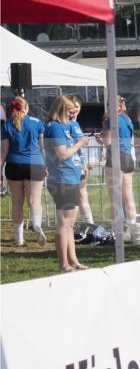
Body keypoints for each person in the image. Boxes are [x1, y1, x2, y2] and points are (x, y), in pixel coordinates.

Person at [44, 96, 90, 272]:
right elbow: (62, 154)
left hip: (71, 177)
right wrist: (79, 143)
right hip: (62, 179)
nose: (74, 111)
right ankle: (64, 263)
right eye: (71, 108)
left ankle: (74, 261)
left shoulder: (66, 125)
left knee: (70, 224)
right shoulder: (55, 127)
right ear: (62, 108)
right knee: (64, 224)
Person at [1, 96, 46, 246]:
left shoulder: (7, 125)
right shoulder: (37, 122)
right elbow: (42, 147)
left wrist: (0, 169)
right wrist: (46, 164)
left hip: (14, 164)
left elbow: (3, 152)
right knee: (34, 200)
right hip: (35, 164)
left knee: (17, 202)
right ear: (26, 108)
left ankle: (19, 238)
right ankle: (36, 223)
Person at [102, 95, 138, 241]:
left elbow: (108, 141)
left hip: (115, 156)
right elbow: (132, 140)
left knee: (114, 198)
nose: (108, 107)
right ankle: (132, 229)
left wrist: (102, 137)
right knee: (128, 196)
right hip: (128, 156)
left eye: (110, 104)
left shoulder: (113, 119)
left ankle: (116, 231)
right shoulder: (127, 119)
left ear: (116, 106)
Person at [68, 95, 95, 227]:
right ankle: (71, 225)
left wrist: (84, 163)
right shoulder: (67, 123)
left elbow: (79, 148)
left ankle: (89, 224)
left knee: (83, 195)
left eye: (77, 107)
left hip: (79, 163)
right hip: (70, 165)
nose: (75, 110)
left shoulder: (76, 123)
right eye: (73, 107)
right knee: (75, 197)